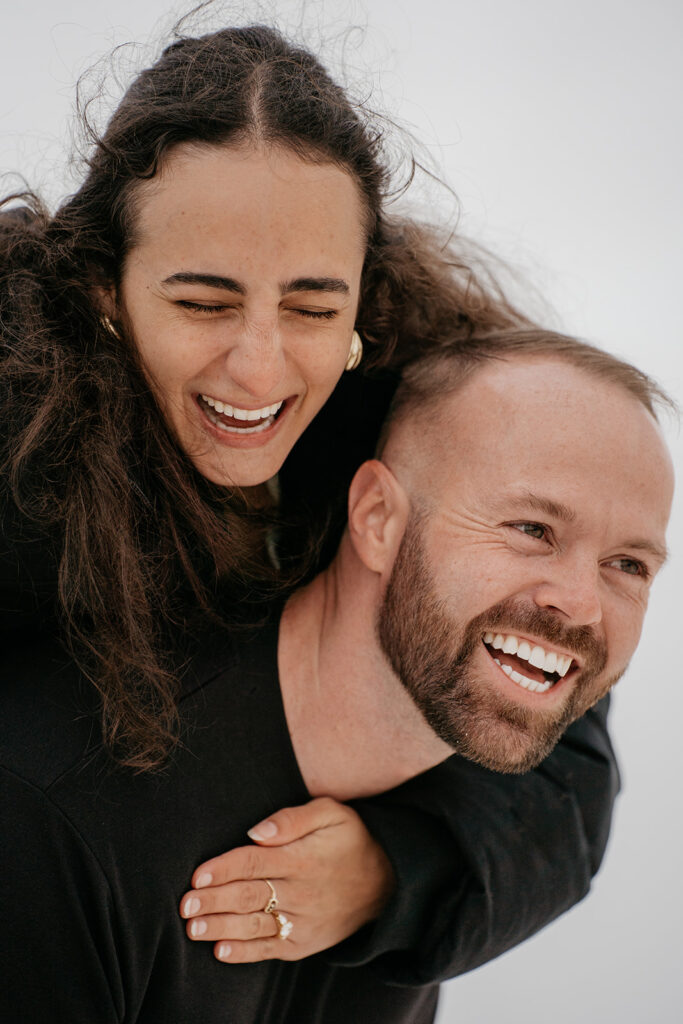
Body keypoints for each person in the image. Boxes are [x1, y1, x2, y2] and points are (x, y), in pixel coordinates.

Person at [0, 20, 619, 1019]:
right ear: (102, 289)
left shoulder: (413, 437)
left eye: (308, 306)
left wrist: (398, 872)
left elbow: (560, 737)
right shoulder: (18, 476)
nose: (257, 364)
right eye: (202, 302)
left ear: (365, 301)